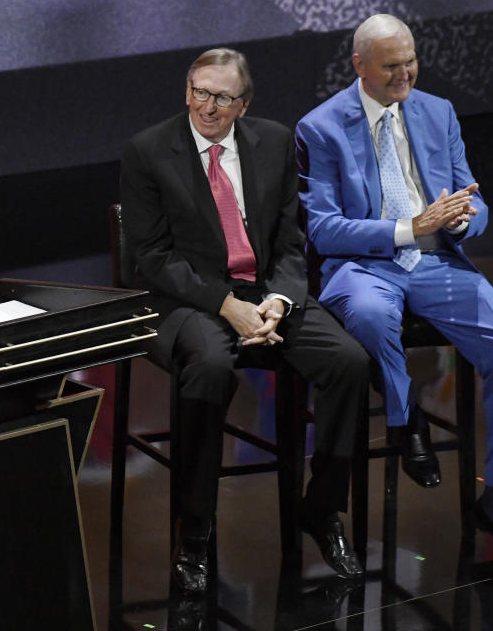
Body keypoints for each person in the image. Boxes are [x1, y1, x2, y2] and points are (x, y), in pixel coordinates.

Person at [121, 48, 370, 594]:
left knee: (349, 363)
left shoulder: (275, 141)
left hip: (265, 294)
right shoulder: (147, 151)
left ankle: (322, 511)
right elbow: (153, 258)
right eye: (199, 92)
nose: (208, 106)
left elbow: (288, 239)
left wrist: (279, 300)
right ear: (187, 90)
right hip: (187, 300)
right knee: (211, 366)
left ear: (244, 104)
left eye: (222, 97)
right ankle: (195, 530)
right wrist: (224, 305)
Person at [296, 14, 493, 569]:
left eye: (410, 61)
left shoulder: (437, 112)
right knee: (372, 316)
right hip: (363, 264)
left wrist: (456, 222)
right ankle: (408, 423)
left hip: (435, 262)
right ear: (359, 66)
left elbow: (472, 201)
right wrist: (410, 227)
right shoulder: (320, 127)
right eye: (391, 65)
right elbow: (324, 229)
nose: (405, 73)